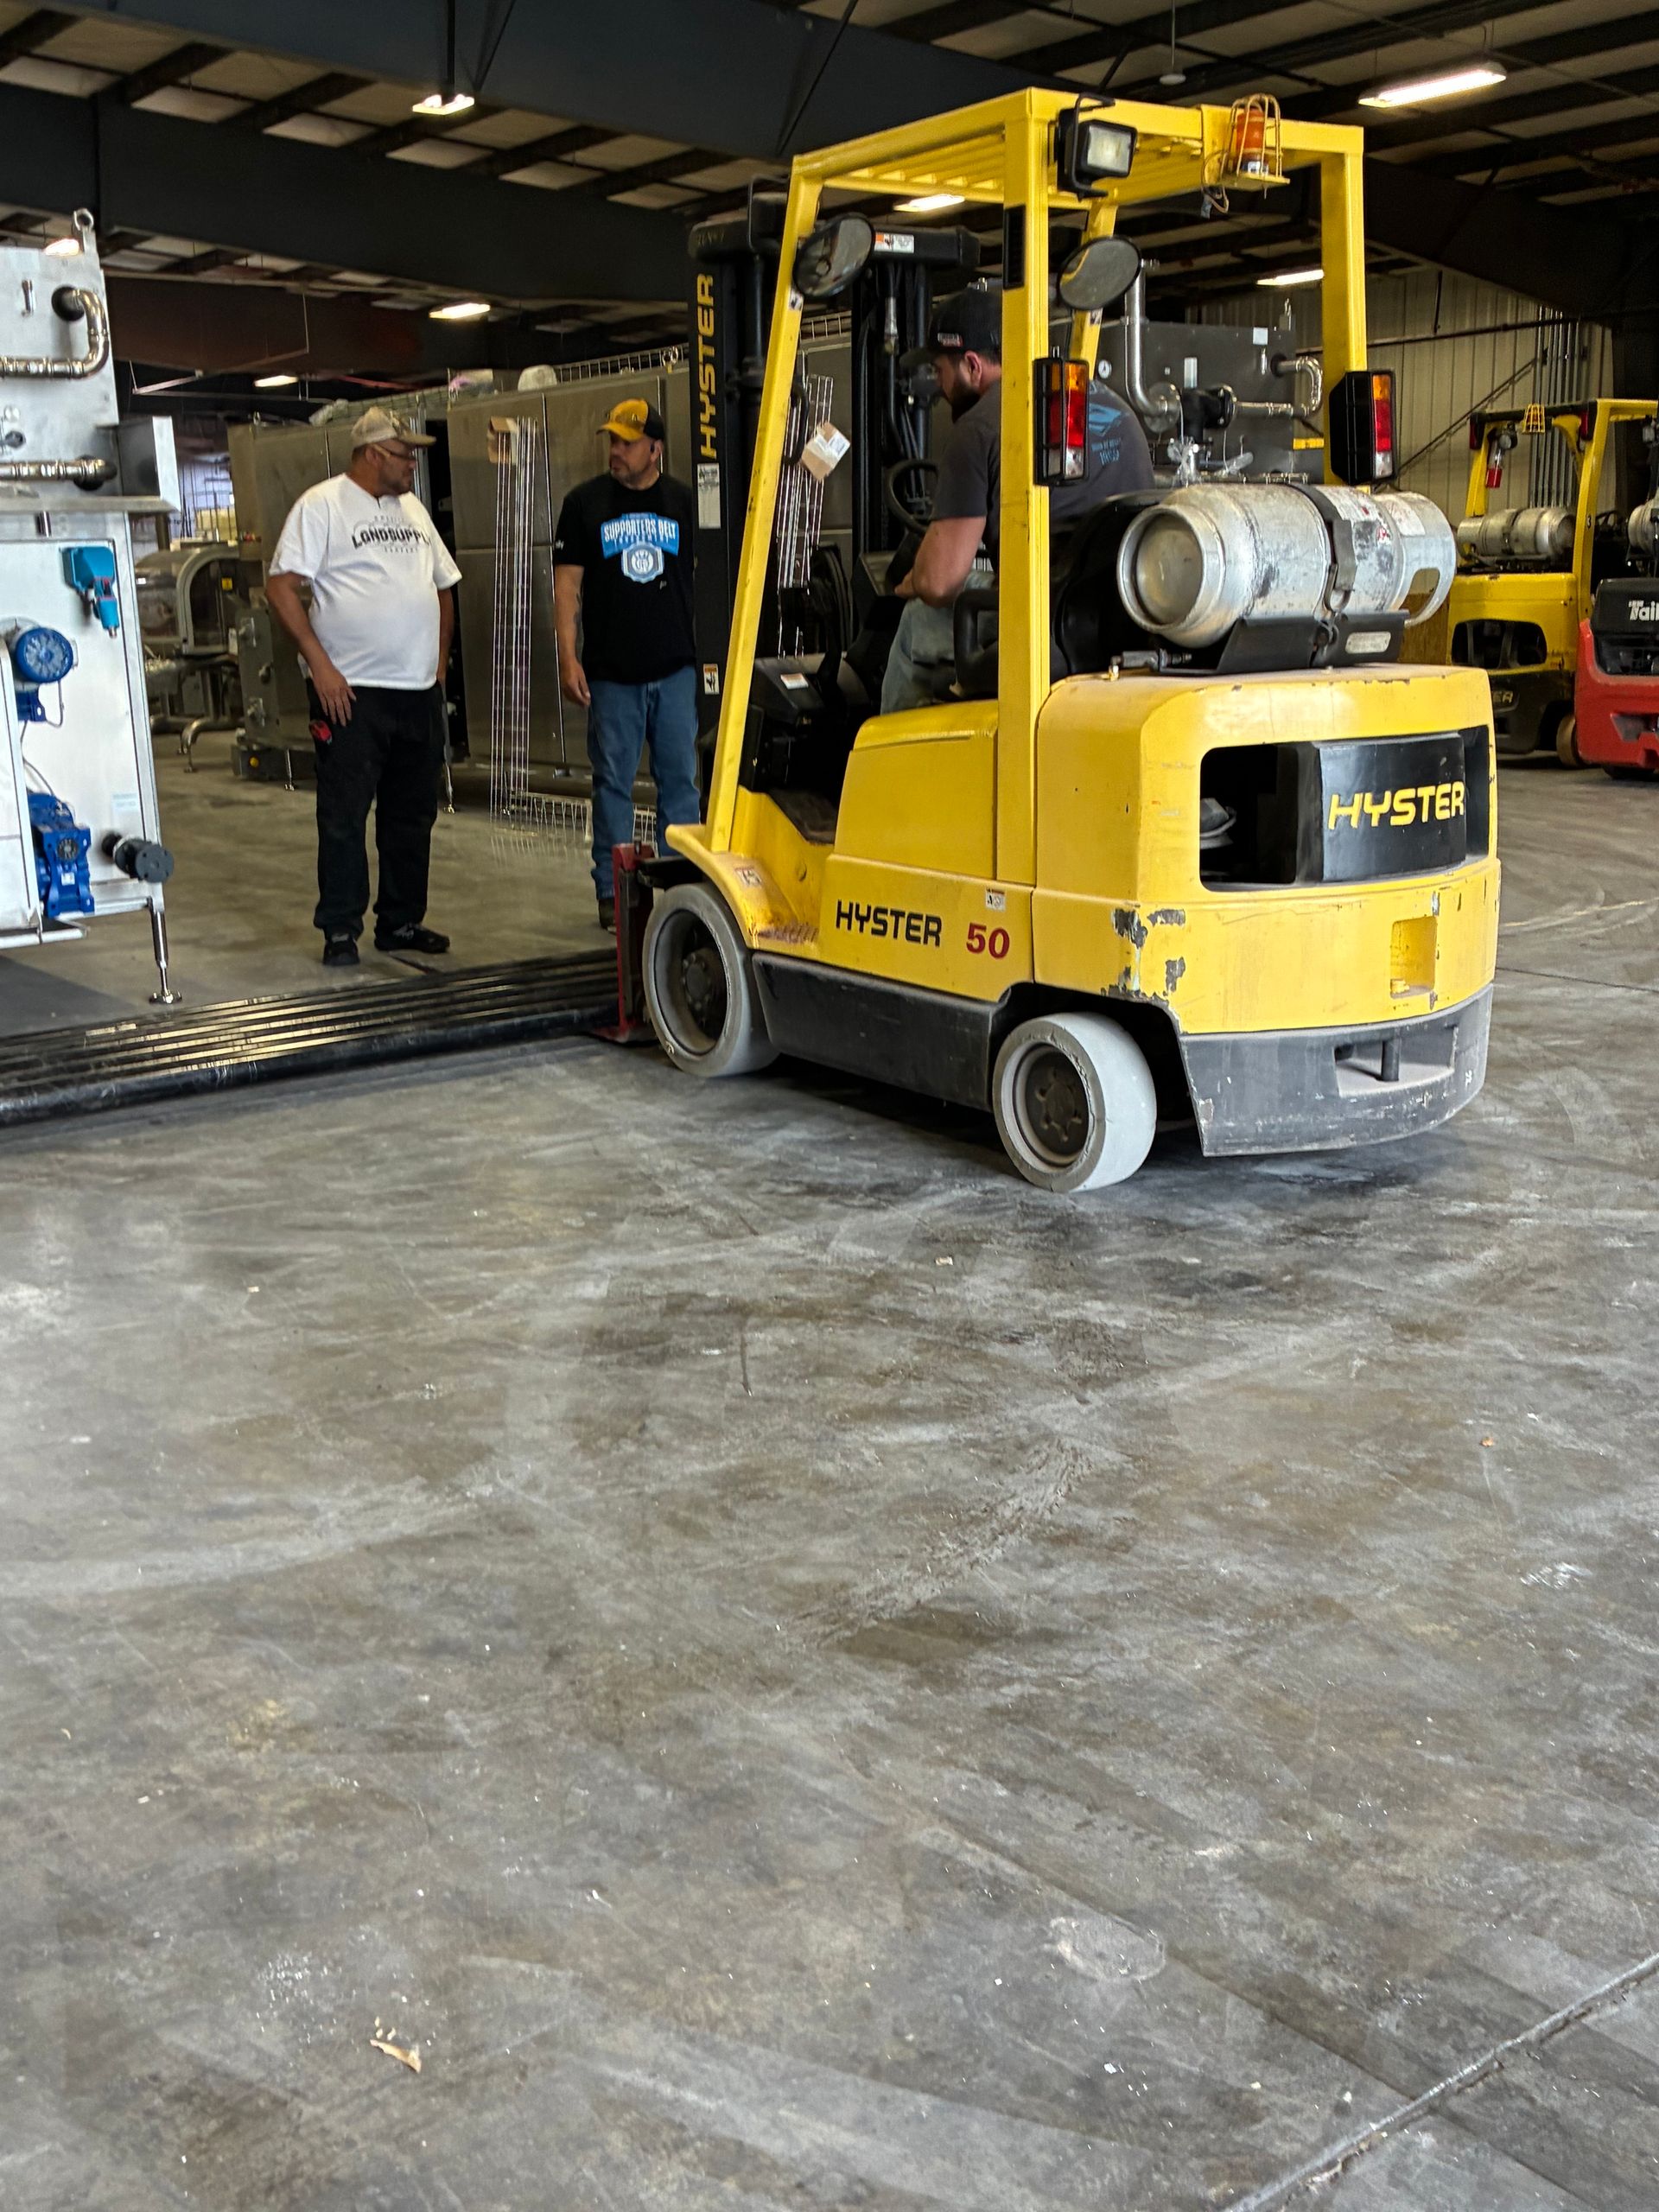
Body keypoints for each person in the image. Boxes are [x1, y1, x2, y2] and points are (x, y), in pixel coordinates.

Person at [882, 283, 1156, 714]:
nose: (939, 387)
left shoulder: (979, 429)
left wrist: (911, 581)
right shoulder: (1114, 406)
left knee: (915, 621)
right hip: (1123, 615)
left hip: (1044, 620)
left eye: (940, 371)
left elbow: (940, 583)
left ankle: (887, 776)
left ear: (972, 365)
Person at [267, 407, 461, 967]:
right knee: (345, 814)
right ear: (373, 453)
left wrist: (439, 667)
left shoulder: (414, 511)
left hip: (417, 690)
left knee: (411, 814)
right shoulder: (322, 505)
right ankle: (340, 928)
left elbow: (443, 586)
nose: (412, 464)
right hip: (351, 692)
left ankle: (400, 922)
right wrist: (320, 667)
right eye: (405, 455)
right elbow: (281, 588)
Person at [553, 398, 700, 932]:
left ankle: (680, 890)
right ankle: (613, 894)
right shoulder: (584, 503)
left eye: (627, 442)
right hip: (611, 674)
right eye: (612, 441)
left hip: (676, 669)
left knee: (681, 783)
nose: (616, 451)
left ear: (655, 448)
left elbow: (708, 582)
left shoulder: (686, 502)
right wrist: (568, 656)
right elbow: (566, 587)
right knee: (612, 783)